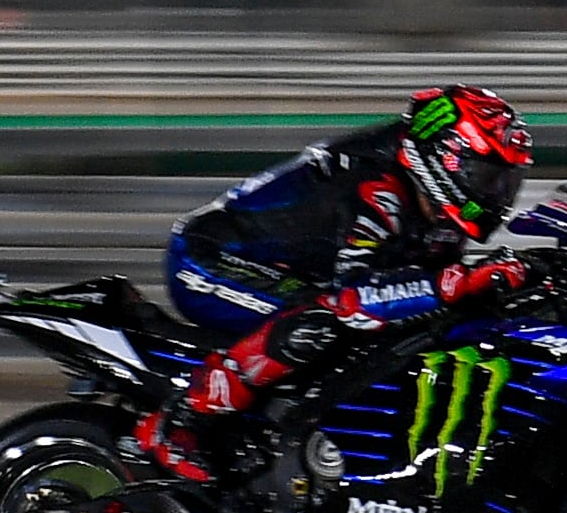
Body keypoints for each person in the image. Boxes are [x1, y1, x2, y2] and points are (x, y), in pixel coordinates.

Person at [136, 85, 536, 483]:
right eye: (487, 178)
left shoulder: (432, 200)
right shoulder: (376, 187)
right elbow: (356, 297)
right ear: (444, 158)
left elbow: (419, 285)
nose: (497, 195)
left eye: (506, 182)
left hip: (297, 268)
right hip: (211, 261)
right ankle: (180, 421)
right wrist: (454, 284)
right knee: (322, 321)